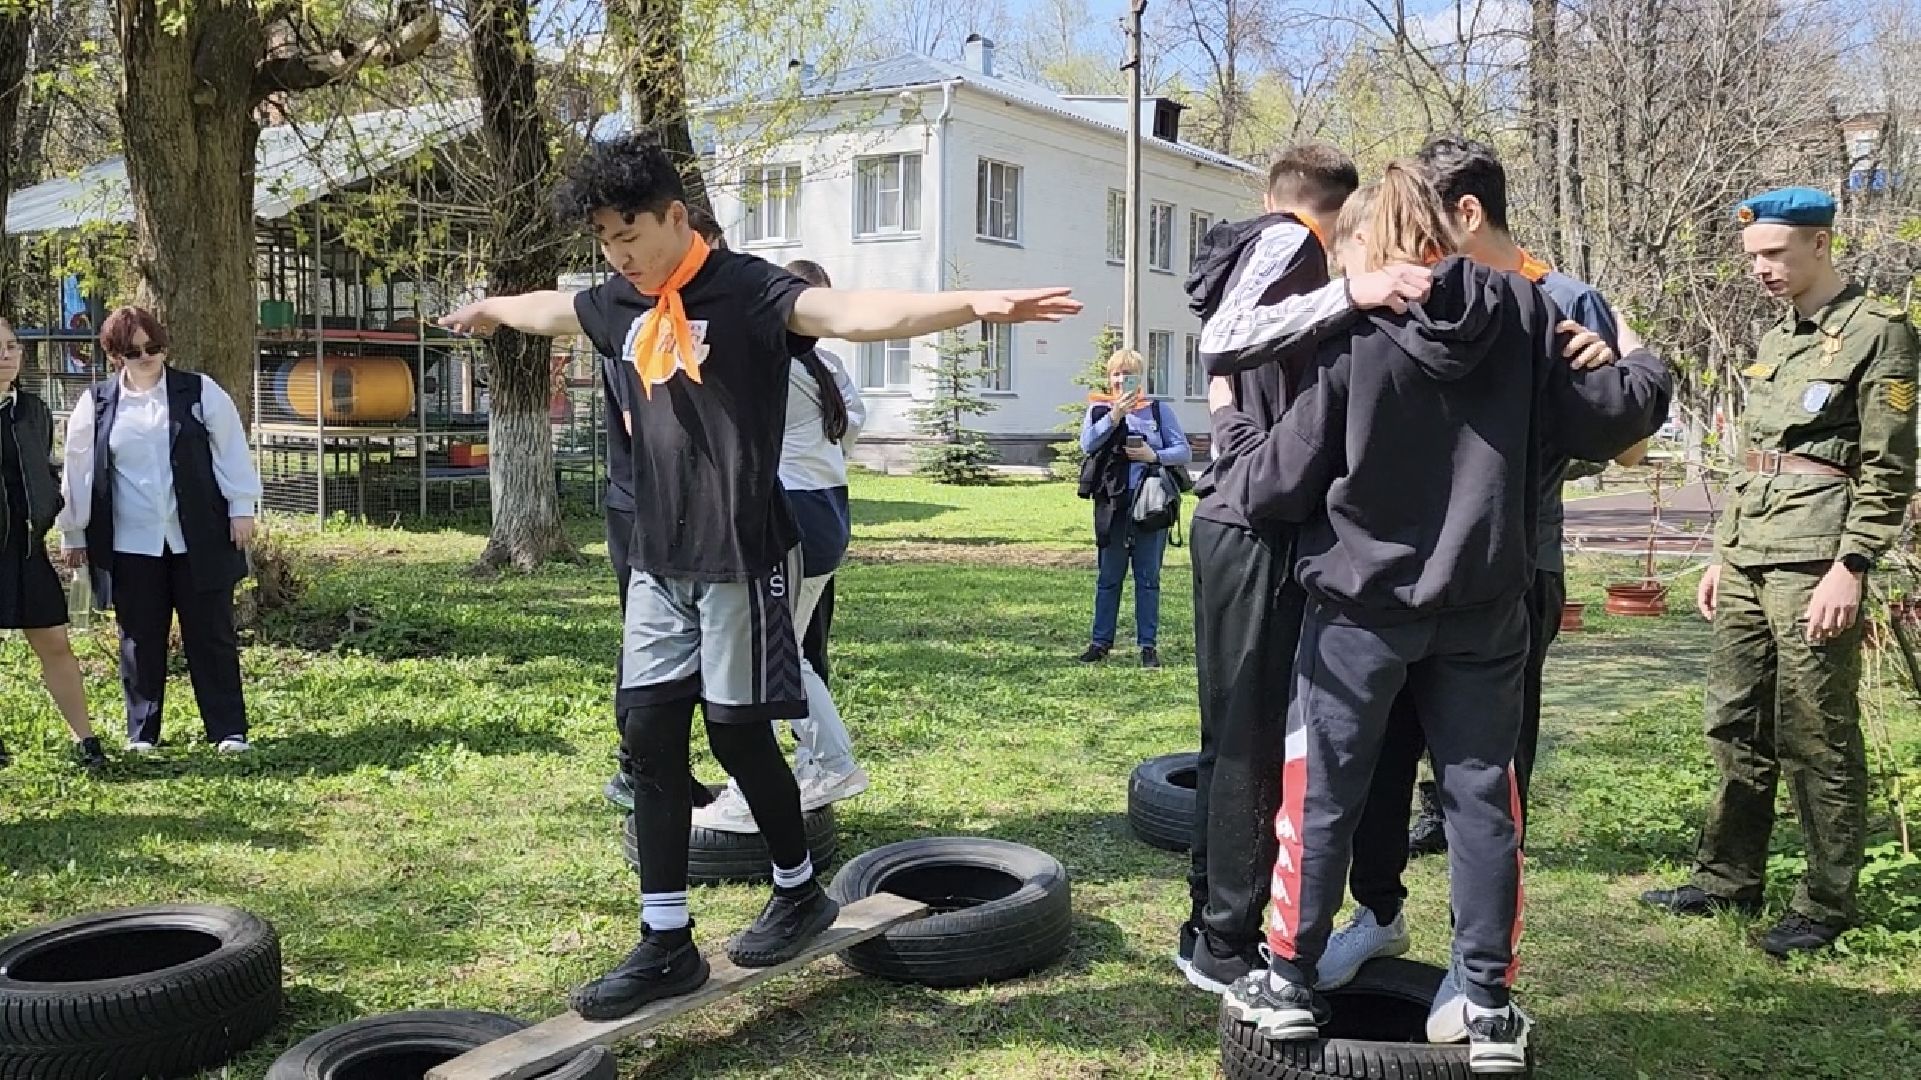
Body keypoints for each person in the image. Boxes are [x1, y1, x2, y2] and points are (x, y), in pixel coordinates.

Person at [437, 131, 1079, 1019]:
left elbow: (855, 313)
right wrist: (491, 308)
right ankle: (665, 942)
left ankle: (798, 889)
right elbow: (553, 308)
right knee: (649, 739)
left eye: (630, 235)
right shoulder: (618, 301)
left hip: (742, 553)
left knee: (739, 737)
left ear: (674, 216)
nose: (618, 256)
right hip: (659, 562)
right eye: (604, 243)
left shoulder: (748, 290)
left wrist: (973, 305)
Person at [1209, 165, 1668, 1074]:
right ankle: (1488, 1004)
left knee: (1324, 793)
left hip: (1356, 612)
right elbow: (1612, 420)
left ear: (1371, 248)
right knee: (1481, 802)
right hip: (1484, 610)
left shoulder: (1355, 332)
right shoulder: (1529, 314)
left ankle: (1289, 979)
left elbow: (1271, 482)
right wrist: (1636, 358)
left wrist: (1227, 419)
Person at [1324, 136, 1656, 1028]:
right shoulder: (1402, 293)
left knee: (1486, 772)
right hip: (1398, 574)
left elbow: (1625, 439)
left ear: (1464, 216)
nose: (1412, 252)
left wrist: (1520, 451)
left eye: (1423, 227)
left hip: (1513, 567)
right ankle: (1377, 913)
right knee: (1382, 757)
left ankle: (1475, 979)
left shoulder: (1564, 300)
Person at [1642, 187, 1918, 958]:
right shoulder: (1776, 338)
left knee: (1815, 733)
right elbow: (1754, 463)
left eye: (1773, 254)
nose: (1760, 270)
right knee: (1733, 721)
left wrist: (1850, 565)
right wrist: (1719, 554)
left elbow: (1888, 468)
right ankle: (1727, 876)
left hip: (1814, 559)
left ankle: (1826, 900)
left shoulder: (1878, 334)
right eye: (1752, 257)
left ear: (1820, 245)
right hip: (1749, 555)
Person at [1176, 143, 1359, 993]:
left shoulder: (1255, 246)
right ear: (1329, 210)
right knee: (1251, 738)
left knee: (1228, 734)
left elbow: (1225, 362)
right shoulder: (1291, 244)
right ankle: (1225, 940)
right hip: (1257, 525)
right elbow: (1228, 339)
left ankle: (1206, 918)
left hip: (1232, 519)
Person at [695, 256, 871, 830]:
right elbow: (853, 425)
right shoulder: (825, 367)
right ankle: (807, 766)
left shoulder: (785, 368)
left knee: (770, 658)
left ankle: (823, 765)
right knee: (779, 653)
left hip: (794, 513)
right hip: (825, 511)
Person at [58, 306, 262, 754]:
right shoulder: (95, 404)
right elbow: (78, 473)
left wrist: (241, 507)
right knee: (139, 638)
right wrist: (73, 532)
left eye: (154, 347)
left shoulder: (199, 390)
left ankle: (229, 730)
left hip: (200, 537)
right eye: (134, 351)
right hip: (130, 541)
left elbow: (230, 449)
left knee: (211, 634)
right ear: (115, 356)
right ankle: (143, 733)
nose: (147, 356)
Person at [603, 207, 730, 811]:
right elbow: (645, 415)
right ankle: (641, 767)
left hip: (669, 505)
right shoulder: (639, 324)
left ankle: (659, 766)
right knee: (647, 647)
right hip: (643, 505)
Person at [0, 317, 106, 771]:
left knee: (56, 644)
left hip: (26, 551)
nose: (7, 355)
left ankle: (85, 741)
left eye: (12, 346)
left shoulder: (34, 411)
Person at [1077, 349, 1191, 668]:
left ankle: (1147, 646)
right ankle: (1100, 643)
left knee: (1148, 578)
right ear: (1108, 377)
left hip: (1150, 506)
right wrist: (1114, 417)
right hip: (1112, 506)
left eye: (1127, 374)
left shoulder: (1157, 410)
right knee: (1108, 577)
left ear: (1139, 378)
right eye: (1115, 374)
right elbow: (1087, 445)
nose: (1120, 380)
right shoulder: (1099, 409)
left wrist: (1153, 456)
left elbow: (1181, 451)